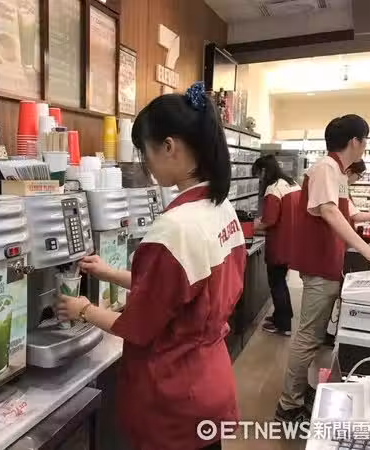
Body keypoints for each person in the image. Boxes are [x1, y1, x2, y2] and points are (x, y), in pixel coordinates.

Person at [57, 82, 246, 450]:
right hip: (209, 379)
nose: (146, 164)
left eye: (145, 152)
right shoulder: (220, 208)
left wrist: (83, 309)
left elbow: (138, 326)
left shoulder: (175, 227)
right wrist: (108, 272)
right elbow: (180, 291)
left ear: (169, 147)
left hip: (174, 396)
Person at [276, 115, 370, 423]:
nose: (365, 146)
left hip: (329, 265)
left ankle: (298, 392)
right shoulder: (325, 168)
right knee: (308, 337)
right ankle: (288, 405)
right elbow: (330, 212)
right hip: (320, 266)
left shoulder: (338, 173)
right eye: (365, 140)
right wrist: (367, 251)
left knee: (314, 334)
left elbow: (351, 214)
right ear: (355, 141)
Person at [252, 155, 301, 337]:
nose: (259, 179)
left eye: (259, 174)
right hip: (292, 241)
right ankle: (282, 315)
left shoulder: (273, 189)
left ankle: (283, 324)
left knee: (277, 283)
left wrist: (255, 225)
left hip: (279, 244)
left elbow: (270, 221)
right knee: (282, 281)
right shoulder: (292, 183)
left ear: (264, 171)